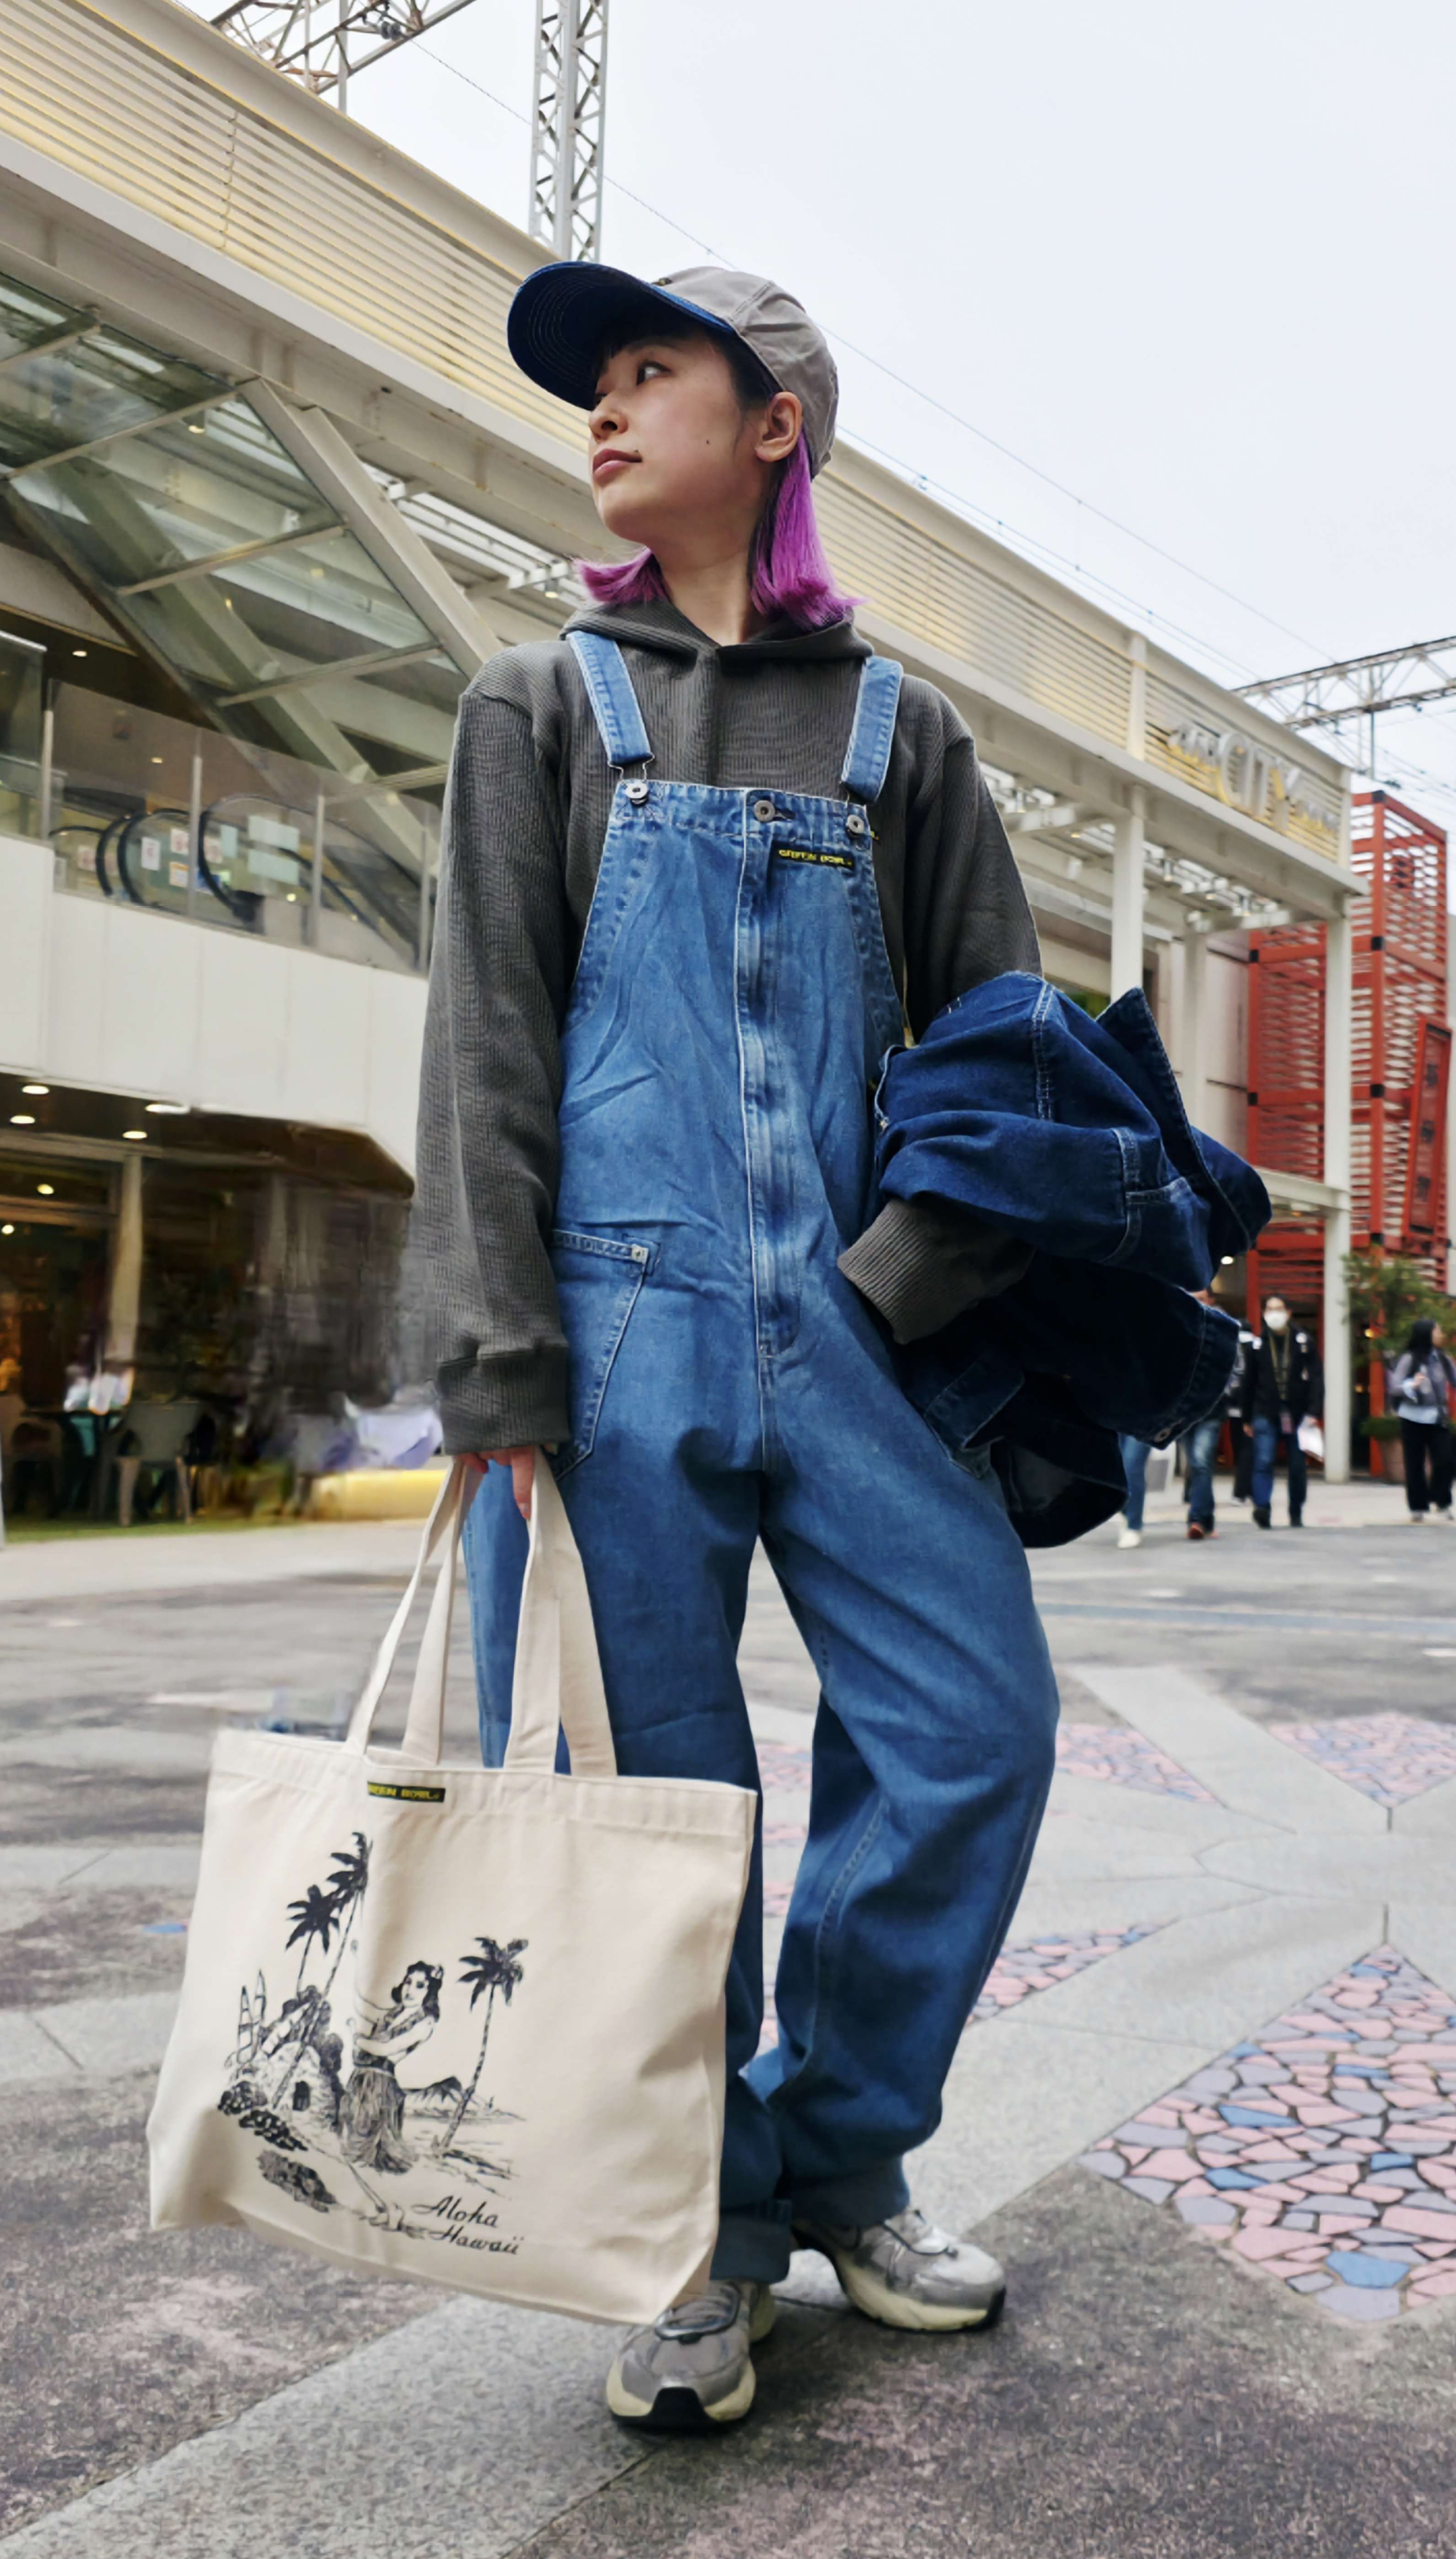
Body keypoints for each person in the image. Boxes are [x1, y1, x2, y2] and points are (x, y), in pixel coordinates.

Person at [409, 258, 1056, 2437]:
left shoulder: (906, 731)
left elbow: (996, 1073)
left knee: (969, 1729)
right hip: (609, 1339)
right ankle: (690, 2235)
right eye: (594, 386)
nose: (603, 411)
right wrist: (499, 1375)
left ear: (775, 420)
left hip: (867, 1336)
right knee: (647, 1801)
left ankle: (831, 2141)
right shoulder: (535, 702)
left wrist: (945, 1326)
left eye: (648, 372)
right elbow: (486, 1053)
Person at [1233, 1289, 1323, 1529]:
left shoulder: (1304, 1342)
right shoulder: (1258, 1345)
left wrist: (1314, 1411)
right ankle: (1262, 1507)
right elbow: (1248, 1382)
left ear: (1289, 1313)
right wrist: (1247, 1417)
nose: (1274, 1314)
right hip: (1265, 1411)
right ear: (1263, 1314)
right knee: (1263, 1460)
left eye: (1279, 1309)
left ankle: (1296, 1510)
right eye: (1270, 1309)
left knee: (1297, 1465)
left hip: (1298, 1413)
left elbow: (1317, 1378)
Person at [1180, 1278, 1245, 1540]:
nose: (1196, 1304)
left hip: (1211, 1410)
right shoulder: (1179, 1324)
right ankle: (1207, 1519)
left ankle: (1196, 1519)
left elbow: (1238, 1368)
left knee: (1201, 1461)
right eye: (1192, 1298)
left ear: (1211, 1300)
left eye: (1201, 1299)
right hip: (1183, 1412)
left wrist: (1220, 1392)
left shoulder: (1224, 1328)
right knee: (1196, 1465)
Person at [1385, 1315, 1456, 1521]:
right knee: (1414, 1464)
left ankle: (1442, 1501)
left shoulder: (1444, 1359)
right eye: (1437, 1331)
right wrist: (1412, 1385)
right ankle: (1418, 1507)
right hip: (1412, 1417)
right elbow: (1394, 1386)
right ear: (1426, 1334)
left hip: (1438, 1417)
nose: (1441, 1334)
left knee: (1446, 1459)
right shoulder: (1409, 1359)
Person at [1114, 1429, 1153, 1549]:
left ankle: (1134, 1526)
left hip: (1145, 1419)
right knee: (1116, 1467)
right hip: (1114, 1417)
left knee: (1132, 1467)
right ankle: (1126, 1511)